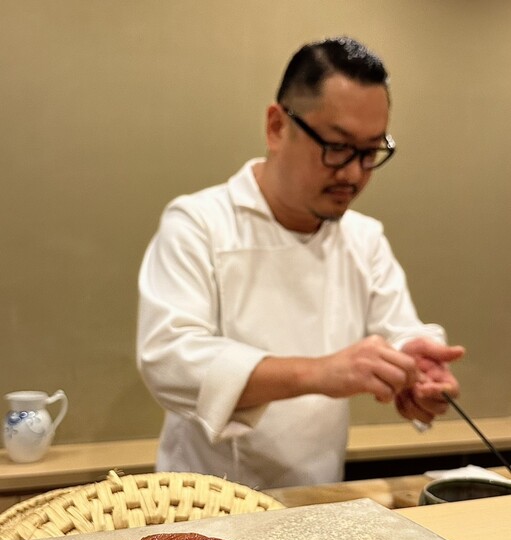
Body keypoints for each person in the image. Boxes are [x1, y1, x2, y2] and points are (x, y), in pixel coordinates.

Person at [137, 36, 464, 489]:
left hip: (317, 494)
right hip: (202, 501)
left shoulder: (364, 238)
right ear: (277, 127)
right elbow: (169, 360)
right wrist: (320, 372)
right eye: (337, 146)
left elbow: (399, 331)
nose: (353, 173)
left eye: (370, 152)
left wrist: (417, 370)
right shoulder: (200, 222)